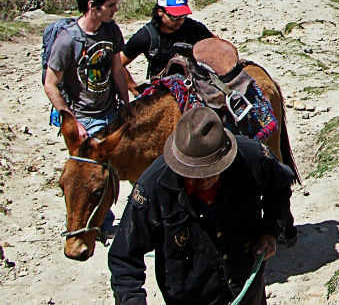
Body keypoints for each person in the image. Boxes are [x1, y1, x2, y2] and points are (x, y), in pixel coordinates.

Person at [108, 106, 295, 305]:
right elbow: (124, 259)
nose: (203, 179)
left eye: (211, 171)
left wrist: (270, 230)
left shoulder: (252, 157)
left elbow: (280, 189)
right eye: (193, 173)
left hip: (246, 288)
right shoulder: (152, 188)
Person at [44, 0, 131, 139]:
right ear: (92, 6)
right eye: (110, 5)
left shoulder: (111, 30)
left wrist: (126, 105)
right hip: (83, 119)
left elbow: (117, 70)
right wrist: (72, 122)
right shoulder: (67, 40)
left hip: (112, 112)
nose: (116, 9)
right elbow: (50, 84)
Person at [117, 0, 215, 87]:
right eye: (174, 17)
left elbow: (218, 46)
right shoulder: (145, 37)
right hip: (163, 89)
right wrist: (135, 90)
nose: (180, 21)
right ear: (160, 12)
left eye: (183, 15)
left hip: (195, 84)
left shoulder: (193, 27)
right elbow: (118, 64)